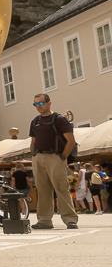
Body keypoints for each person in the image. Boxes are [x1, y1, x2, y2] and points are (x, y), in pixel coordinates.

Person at [28, 93, 78, 230]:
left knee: (61, 188)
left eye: (41, 103)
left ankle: (70, 219)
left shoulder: (59, 119)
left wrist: (63, 157)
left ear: (49, 103)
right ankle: (44, 220)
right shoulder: (35, 121)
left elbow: (71, 141)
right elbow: (33, 141)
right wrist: (33, 156)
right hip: (39, 158)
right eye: (35, 104)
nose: (38, 106)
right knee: (42, 191)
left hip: (55, 157)